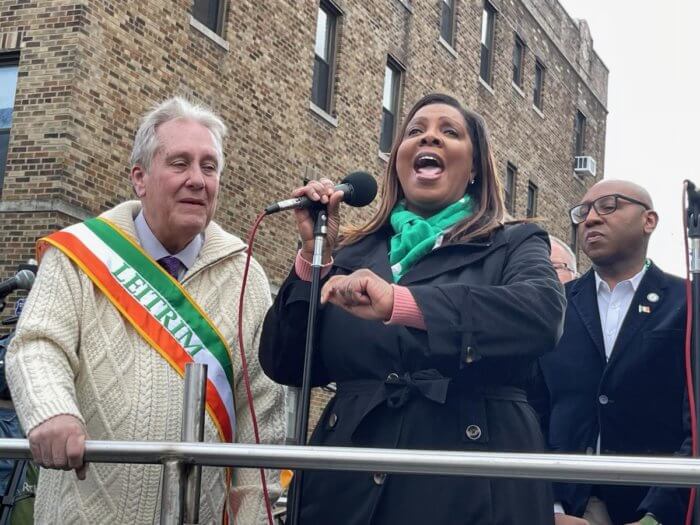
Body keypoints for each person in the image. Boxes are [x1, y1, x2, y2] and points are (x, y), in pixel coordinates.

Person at [259, 93, 566, 524]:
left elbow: (541, 314)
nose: (430, 138)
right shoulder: (352, 250)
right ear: (398, 160)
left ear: (475, 167)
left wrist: (404, 304)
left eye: (450, 132)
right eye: (415, 131)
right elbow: (286, 364)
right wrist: (314, 258)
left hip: (474, 483)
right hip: (346, 488)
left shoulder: (514, 242)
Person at [6, 97, 286, 524]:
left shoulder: (245, 275)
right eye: (179, 163)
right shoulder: (80, 254)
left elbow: (259, 421)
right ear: (139, 178)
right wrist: (52, 409)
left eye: (209, 167)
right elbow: (37, 345)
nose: (197, 180)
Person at [537, 180, 690, 525]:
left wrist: (659, 515)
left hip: (655, 504)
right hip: (566, 506)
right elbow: (532, 410)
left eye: (608, 206)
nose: (590, 218)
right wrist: (551, 509)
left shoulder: (688, 304)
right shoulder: (552, 306)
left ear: (648, 220)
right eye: (583, 211)